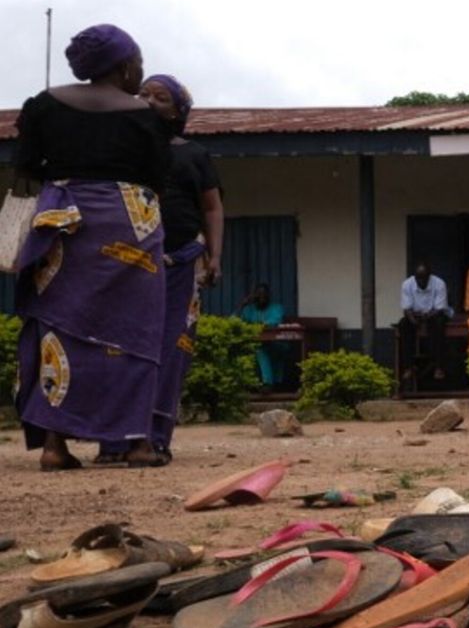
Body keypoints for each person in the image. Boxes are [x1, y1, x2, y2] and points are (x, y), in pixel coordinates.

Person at [12, 24, 171, 470]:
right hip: (130, 224)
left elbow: (25, 166)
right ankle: (137, 443)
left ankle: (53, 447)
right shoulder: (143, 116)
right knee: (135, 333)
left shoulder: (43, 105)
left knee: (57, 330)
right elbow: (158, 177)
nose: (141, 70)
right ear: (123, 67)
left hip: (63, 222)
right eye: (138, 62)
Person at [97, 74, 223, 464]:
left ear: (178, 111)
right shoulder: (118, 151)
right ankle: (115, 441)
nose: (149, 100)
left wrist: (215, 256)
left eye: (161, 97)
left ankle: (154, 439)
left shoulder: (193, 154)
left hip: (181, 263)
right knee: (119, 349)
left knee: (171, 350)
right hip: (125, 266)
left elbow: (212, 208)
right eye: (143, 93)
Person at [399, 261, 452, 383]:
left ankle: (439, 367)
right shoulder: (407, 284)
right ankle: (409, 367)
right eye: (419, 278)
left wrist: (425, 318)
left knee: (438, 325)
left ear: (430, 276)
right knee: (404, 325)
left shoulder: (439, 283)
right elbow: (407, 308)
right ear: (415, 277)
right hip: (415, 314)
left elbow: (440, 309)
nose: (421, 281)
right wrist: (413, 320)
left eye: (424, 278)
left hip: (434, 314)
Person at [238, 282, 289, 387]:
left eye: (264, 294)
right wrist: (242, 306)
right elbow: (234, 321)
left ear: (269, 296)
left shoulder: (277, 308)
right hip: (255, 345)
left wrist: (263, 325)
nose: (262, 297)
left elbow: (274, 321)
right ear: (254, 296)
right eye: (259, 295)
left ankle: (268, 383)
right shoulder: (249, 309)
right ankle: (268, 383)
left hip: (277, 343)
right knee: (260, 349)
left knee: (262, 348)